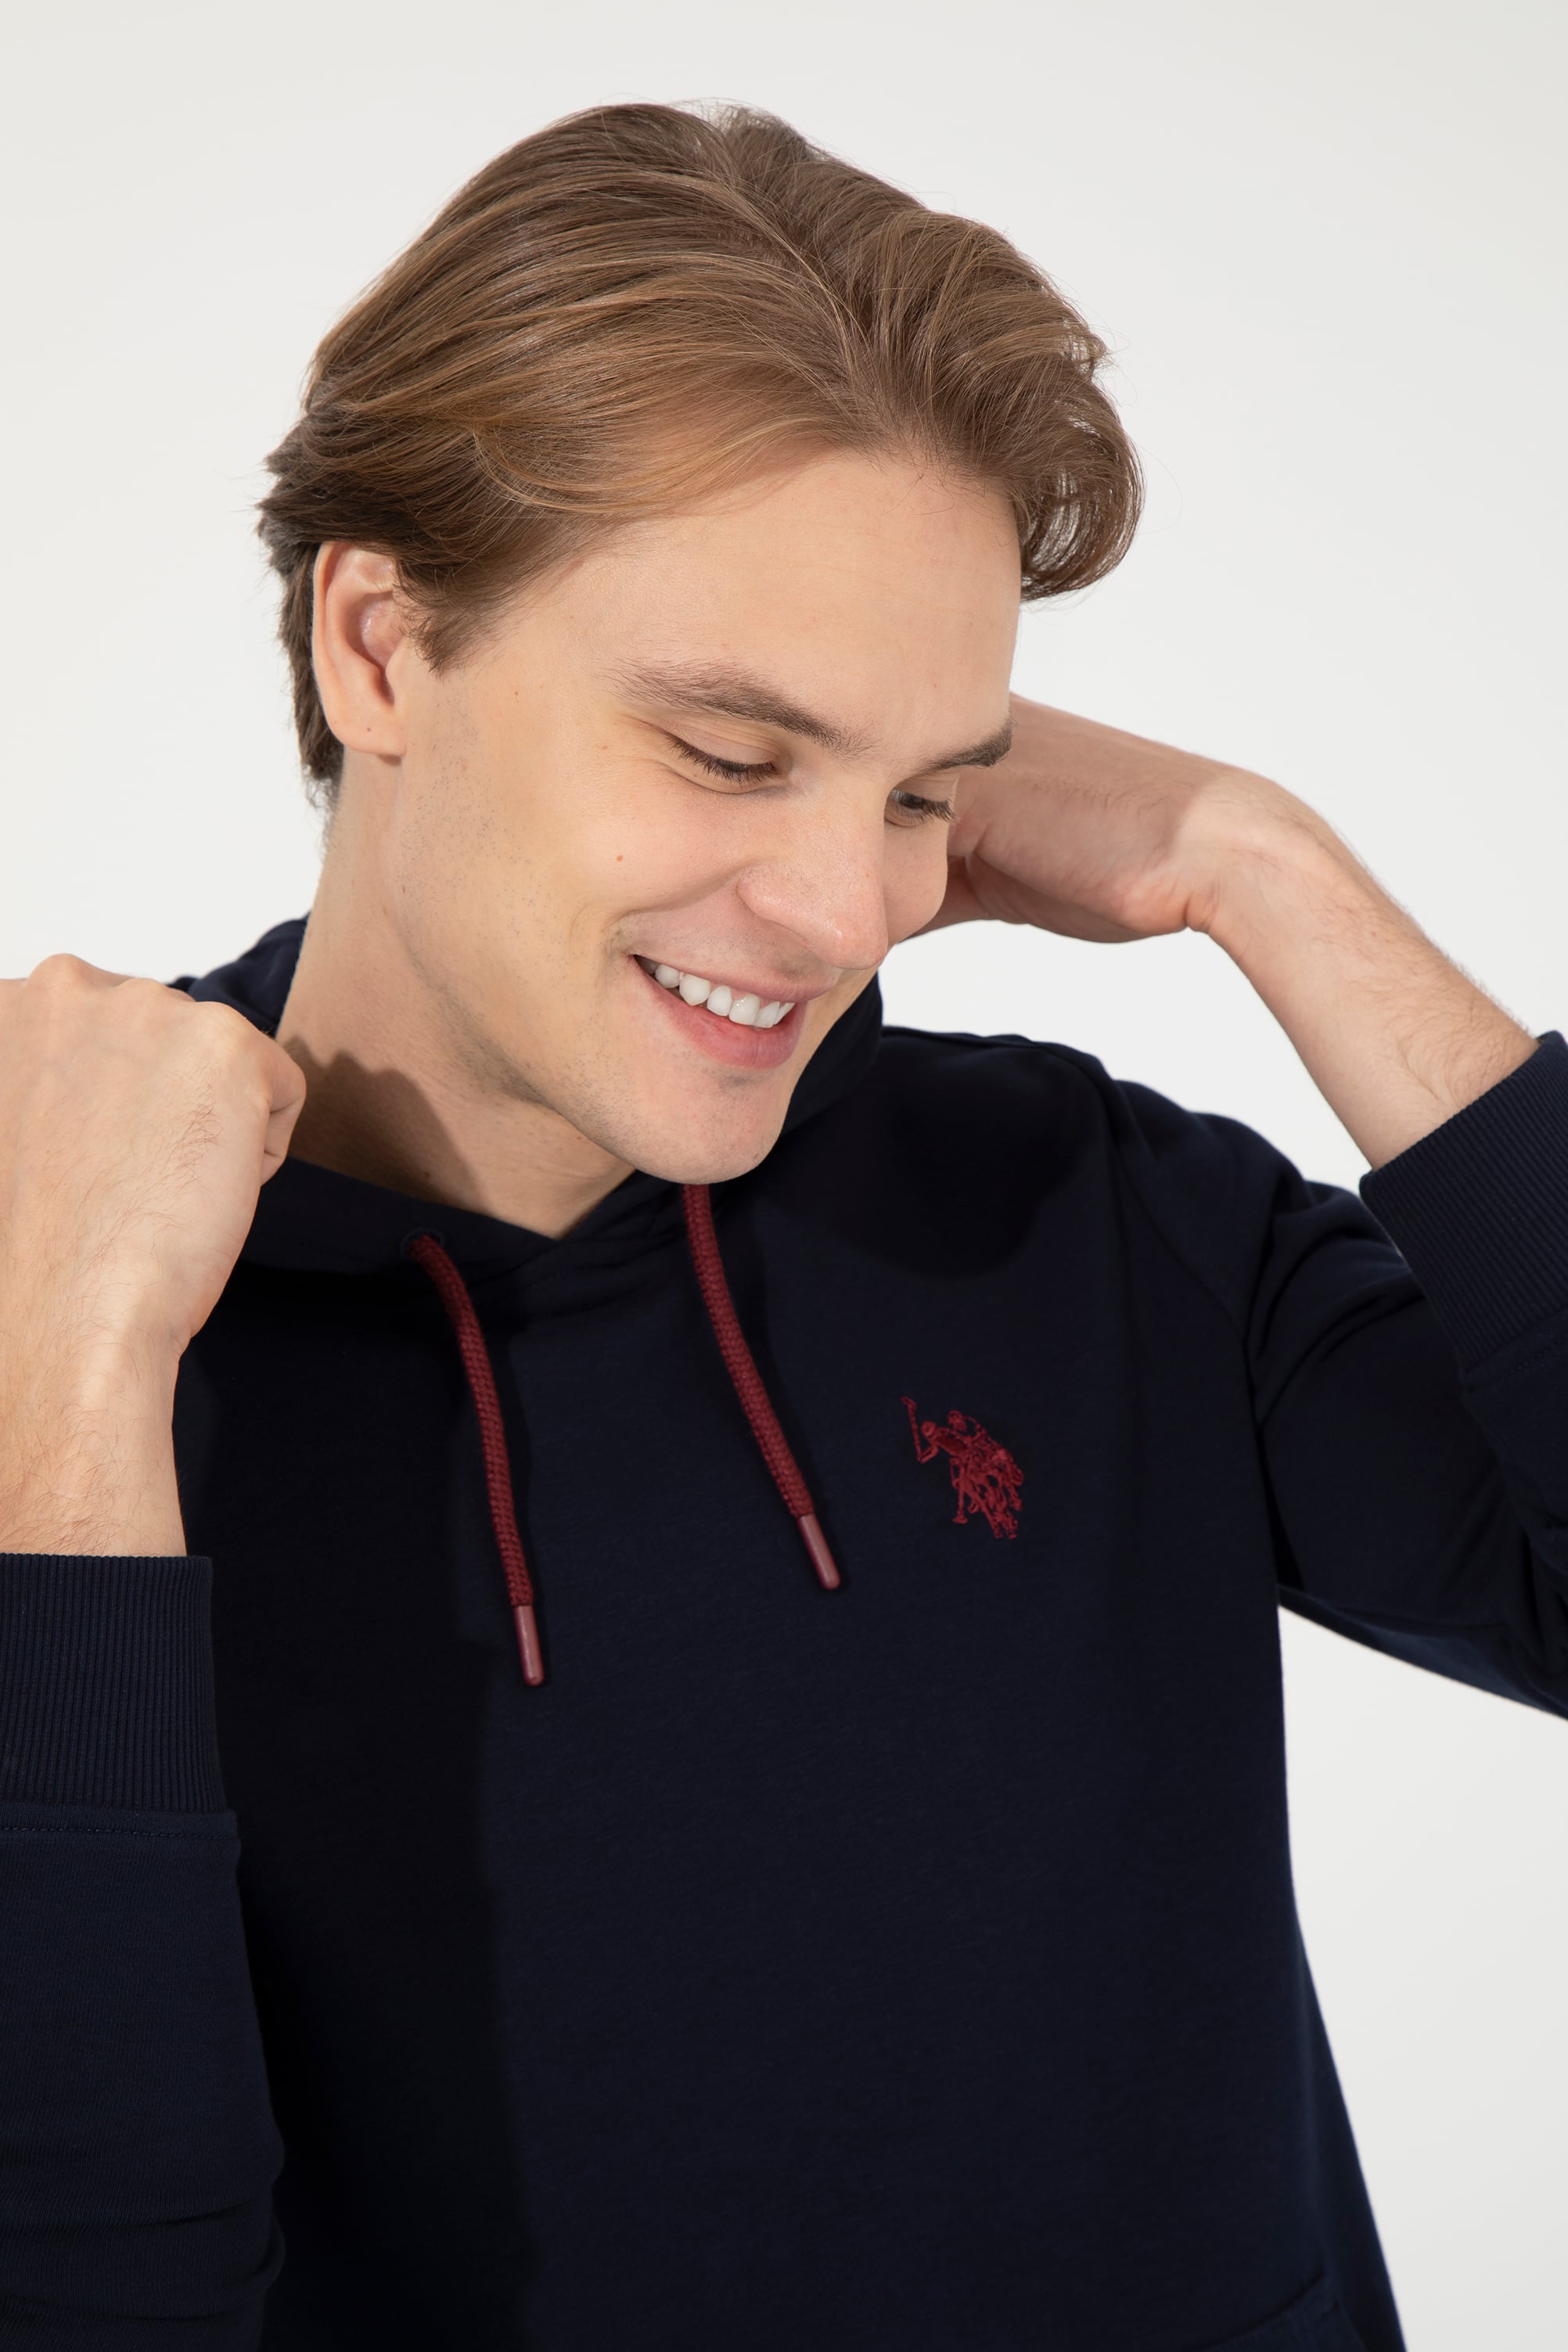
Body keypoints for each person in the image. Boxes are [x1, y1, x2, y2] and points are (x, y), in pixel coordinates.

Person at [1, 100, 1562, 2352]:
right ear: (378, 646)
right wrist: (70, 1399)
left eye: (925, 789)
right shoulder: (63, 1355)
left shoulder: (1083, 1208)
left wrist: (1272, 875)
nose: (851, 911)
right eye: (734, 754)